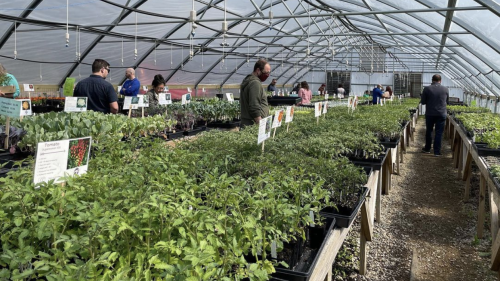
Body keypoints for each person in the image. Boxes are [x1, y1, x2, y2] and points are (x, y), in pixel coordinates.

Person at [421, 74, 449, 156]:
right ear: (440, 80)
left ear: (432, 80)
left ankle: (427, 149)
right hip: (441, 113)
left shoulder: (427, 89)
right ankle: (437, 152)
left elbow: (423, 102)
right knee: (439, 133)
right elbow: (447, 101)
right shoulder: (445, 89)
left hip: (430, 113)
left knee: (429, 131)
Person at [240, 59, 270, 127]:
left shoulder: (248, 80)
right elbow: (254, 106)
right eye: (265, 73)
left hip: (247, 123)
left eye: (269, 73)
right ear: (258, 70)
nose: (267, 75)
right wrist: (261, 126)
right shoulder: (255, 83)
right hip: (253, 125)